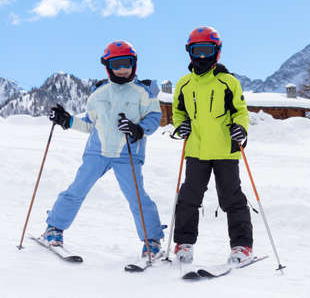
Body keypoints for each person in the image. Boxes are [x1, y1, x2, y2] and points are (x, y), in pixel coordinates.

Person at [43, 40, 164, 259]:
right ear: (107, 66)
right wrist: (67, 120)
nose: (122, 69)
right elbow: (90, 124)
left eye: (126, 63)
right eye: (116, 64)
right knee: (76, 190)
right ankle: (54, 228)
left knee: (137, 197)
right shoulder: (98, 94)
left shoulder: (144, 92)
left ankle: (152, 240)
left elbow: (154, 118)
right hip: (96, 152)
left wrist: (138, 129)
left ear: (134, 64)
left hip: (128, 153)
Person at [172, 26, 253, 265]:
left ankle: (242, 246)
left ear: (216, 52)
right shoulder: (184, 84)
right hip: (196, 150)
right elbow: (178, 112)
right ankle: (184, 243)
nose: (202, 57)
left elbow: (241, 112)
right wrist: (182, 125)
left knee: (232, 198)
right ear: (190, 52)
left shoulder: (228, 82)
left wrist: (241, 128)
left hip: (225, 150)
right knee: (188, 197)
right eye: (197, 51)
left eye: (207, 50)